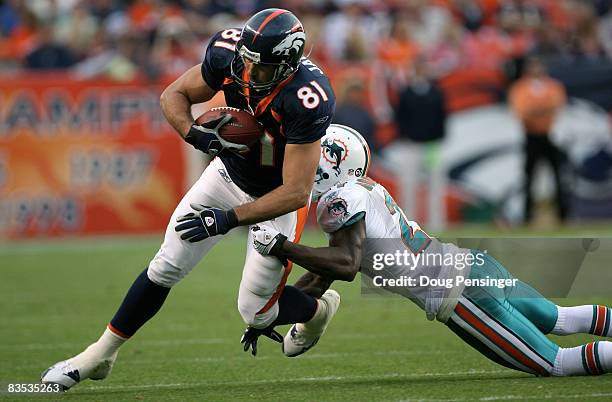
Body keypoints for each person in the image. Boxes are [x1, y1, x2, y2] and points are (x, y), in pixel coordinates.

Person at [41, 8, 338, 390]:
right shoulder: (229, 54)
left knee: (256, 313)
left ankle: (319, 310)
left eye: (259, 69)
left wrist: (227, 218)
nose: (247, 74)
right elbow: (174, 94)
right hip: (227, 174)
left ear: (285, 66)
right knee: (165, 265)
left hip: (275, 197)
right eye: (244, 63)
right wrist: (194, 135)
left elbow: (296, 191)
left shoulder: (306, 98)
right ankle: (99, 354)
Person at [250, 124, 612, 376]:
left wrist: (282, 246)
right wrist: (271, 311)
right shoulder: (361, 187)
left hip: (457, 294)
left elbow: (345, 264)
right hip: (472, 266)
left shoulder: (339, 200)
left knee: (557, 363)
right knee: (560, 320)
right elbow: (327, 270)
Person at [509, 56, 568, 223]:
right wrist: (544, 109)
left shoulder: (553, 86)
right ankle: (527, 216)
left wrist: (536, 109)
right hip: (531, 136)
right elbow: (522, 111)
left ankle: (563, 215)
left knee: (558, 176)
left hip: (551, 136)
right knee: (529, 178)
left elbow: (558, 105)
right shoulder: (520, 88)